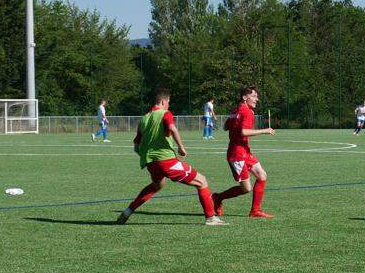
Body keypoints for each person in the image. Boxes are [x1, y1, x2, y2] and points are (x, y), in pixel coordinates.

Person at [117, 88, 224, 226]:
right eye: (168, 102)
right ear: (163, 101)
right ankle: (210, 218)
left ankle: (128, 211)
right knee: (202, 181)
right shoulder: (165, 113)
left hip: (151, 163)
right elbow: (173, 129)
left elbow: (136, 146)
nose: (169, 104)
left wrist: (149, 157)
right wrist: (181, 147)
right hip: (166, 161)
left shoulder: (144, 118)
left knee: (157, 185)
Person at [212, 87, 275, 218]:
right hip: (237, 155)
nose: (256, 99)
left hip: (244, 151)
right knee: (246, 188)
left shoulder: (236, 110)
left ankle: (255, 211)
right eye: (254, 96)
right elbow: (244, 132)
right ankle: (218, 197)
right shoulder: (247, 112)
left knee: (262, 176)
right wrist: (265, 130)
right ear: (245, 98)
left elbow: (225, 127)